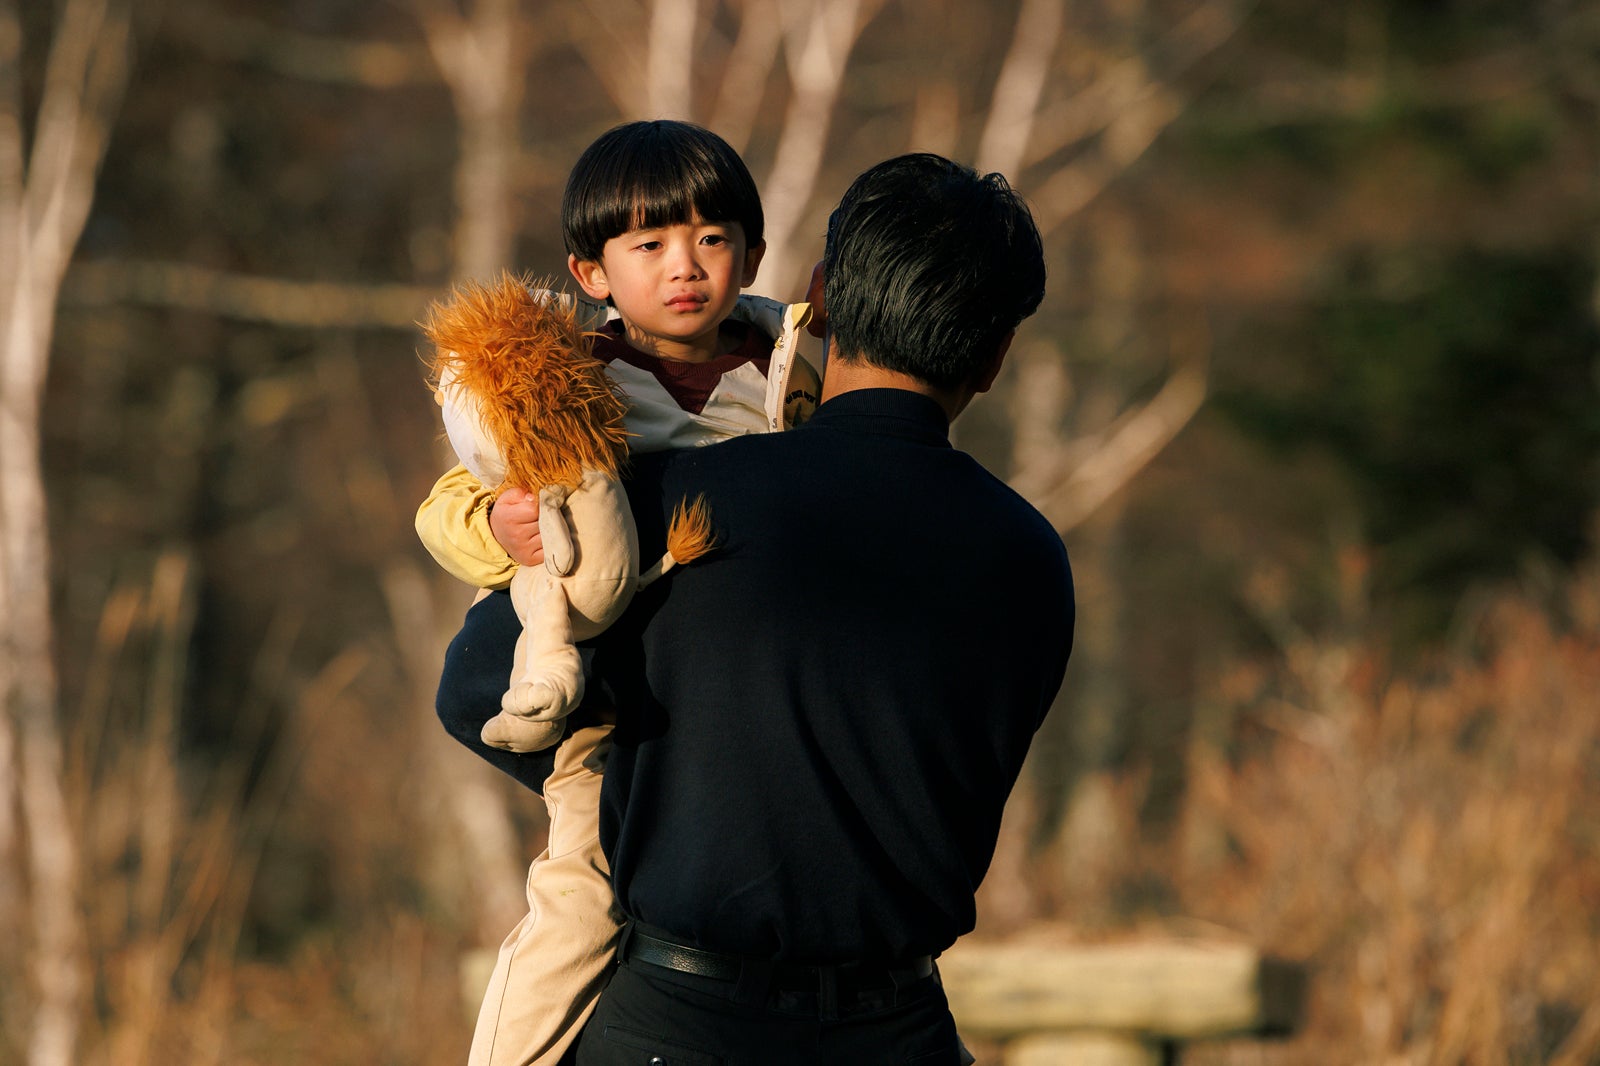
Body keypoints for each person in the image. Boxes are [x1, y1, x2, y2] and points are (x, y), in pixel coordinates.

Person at [565, 153, 1074, 1063]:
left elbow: (473, 695)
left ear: (818, 296)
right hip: (899, 1032)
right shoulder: (1030, 557)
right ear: (995, 356)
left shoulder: (679, 499)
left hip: (677, 1029)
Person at [417, 120, 824, 1066]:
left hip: (739, 692)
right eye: (650, 246)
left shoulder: (795, 373)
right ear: (592, 272)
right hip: (604, 701)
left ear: (753, 254)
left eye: (712, 240)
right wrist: (500, 529)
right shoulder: (573, 378)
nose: (686, 266)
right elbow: (446, 506)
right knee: (583, 894)